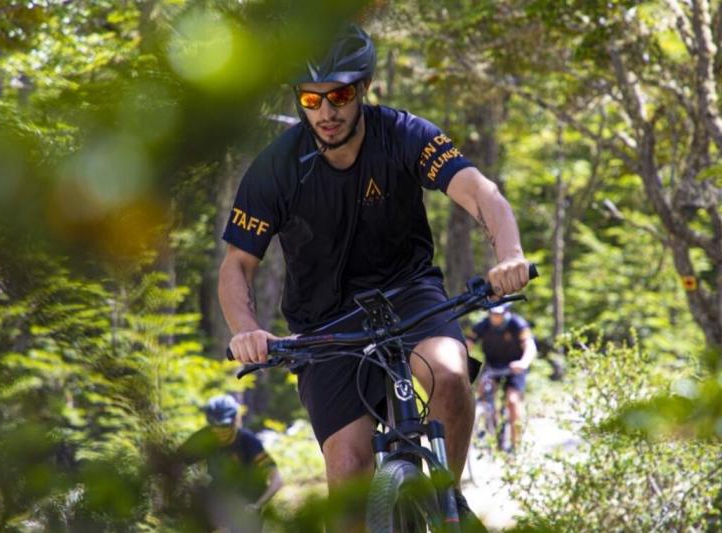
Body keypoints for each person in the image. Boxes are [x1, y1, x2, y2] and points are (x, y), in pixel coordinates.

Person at [218, 23, 531, 528]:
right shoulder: (276, 168)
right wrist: (244, 330)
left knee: (450, 376)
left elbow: (480, 193)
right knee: (347, 477)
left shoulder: (405, 135)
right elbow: (237, 265)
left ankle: (448, 502)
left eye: (338, 95)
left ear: (363, 88)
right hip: (324, 323)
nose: (326, 112)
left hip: (410, 293)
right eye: (311, 99)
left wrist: (509, 253)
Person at [178, 394, 283, 532]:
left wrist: (257, 505)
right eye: (215, 426)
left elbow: (277, 480)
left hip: (247, 506)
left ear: (235, 420)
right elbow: (175, 462)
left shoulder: (248, 442)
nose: (221, 431)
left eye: (225, 425)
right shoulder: (204, 438)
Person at [467, 303, 537, 452]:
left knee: (512, 401)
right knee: (483, 393)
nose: (495, 317)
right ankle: (493, 429)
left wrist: (523, 362)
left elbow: (529, 346)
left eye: (499, 313)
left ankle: (515, 445)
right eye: (493, 313)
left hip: (514, 367)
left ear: (506, 311)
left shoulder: (517, 324)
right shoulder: (483, 325)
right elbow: (468, 344)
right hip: (492, 366)